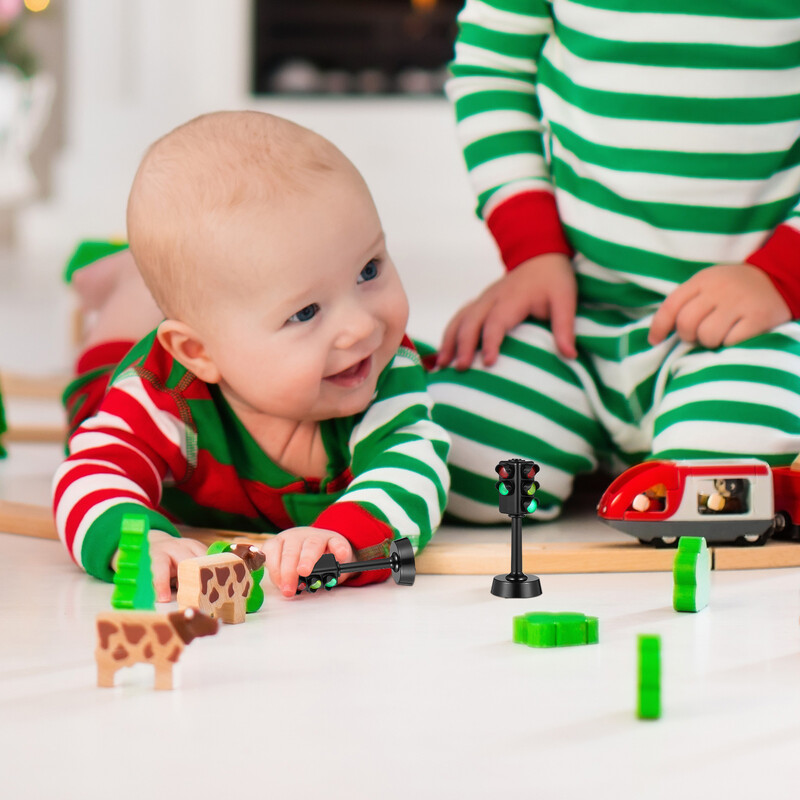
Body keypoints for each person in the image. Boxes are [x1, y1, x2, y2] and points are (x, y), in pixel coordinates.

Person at [427, 0, 800, 524]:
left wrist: (781, 275)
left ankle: (658, 449)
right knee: (447, 456)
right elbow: (491, 67)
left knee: (722, 484)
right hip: (578, 315)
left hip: (758, 327)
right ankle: (613, 450)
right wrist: (533, 251)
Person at [53, 111, 451, 600]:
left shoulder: (384, 368)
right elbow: (89, 470)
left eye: (368, 270)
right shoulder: (164, 393)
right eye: (306, 312)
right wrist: (136, 541)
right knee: (92, 401)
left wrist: (344, 537)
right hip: (123, 383)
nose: (362, 326)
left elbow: (414, 466)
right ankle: (125, 281)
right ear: (198, 352)